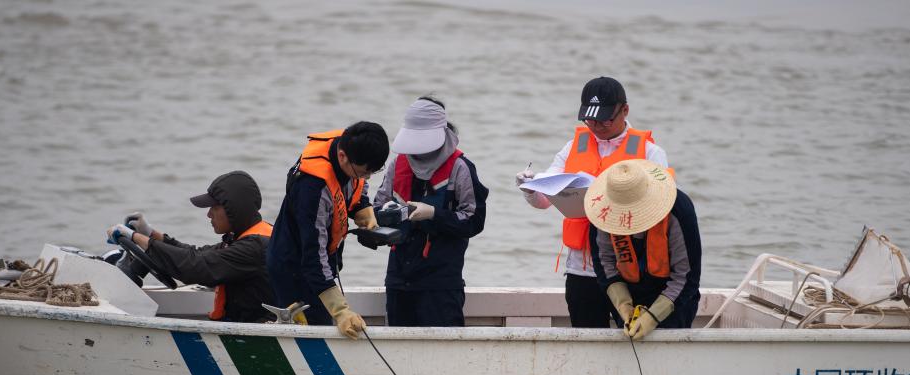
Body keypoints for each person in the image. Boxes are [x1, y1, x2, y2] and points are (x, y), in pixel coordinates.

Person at [516, 76, 669, 328]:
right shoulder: (571, 147)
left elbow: (662, 208)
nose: (597, 126)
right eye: (590, 119)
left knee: (634, 339)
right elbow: (545, 200)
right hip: (581, 271)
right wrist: (530, 188)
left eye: (605, 118)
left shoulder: (651, 152)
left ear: (625, 110)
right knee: (584, 341)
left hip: (629, 268)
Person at [369, 97, 488, 326]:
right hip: (398, 279)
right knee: (398, 351)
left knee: (445, 354)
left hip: (440, 282)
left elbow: (474, 221)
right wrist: (379, 220)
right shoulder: (397, 164)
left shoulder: (460, 168)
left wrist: (434, 213)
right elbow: (378, 206)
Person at [266, 122, 389, 339]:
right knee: (313, 332)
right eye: (363, 172)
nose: (366, 178)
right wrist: (341, 311)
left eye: (373, 172)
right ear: (342, 156)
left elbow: (359, 184)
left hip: (318, 264)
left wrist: (362, 206)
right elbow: (314, 255)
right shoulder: (313, 189)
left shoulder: (353, 146)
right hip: (294, 268)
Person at [105, 170, 274, 323]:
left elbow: (195, 267)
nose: (209, 214)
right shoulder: (244, 237)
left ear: (234, 209)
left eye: (214, 207)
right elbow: (196, 254)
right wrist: (151, 234)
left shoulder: (254, 247)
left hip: (257, 336)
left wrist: (134, 237)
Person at [587, 159, 701, 339]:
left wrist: (653, 317)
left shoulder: (679, 209)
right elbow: (605, 264)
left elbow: (686, 276)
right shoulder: (601, 211)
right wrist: (623, 306)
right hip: (628, 295)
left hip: (675, 297)